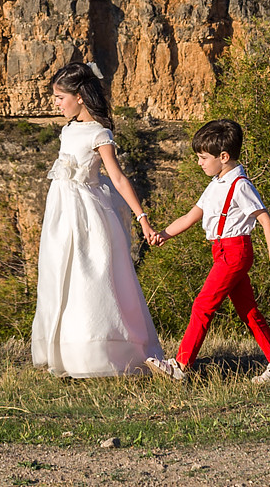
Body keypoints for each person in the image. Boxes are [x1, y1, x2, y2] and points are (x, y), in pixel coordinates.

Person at [30, 61, 167, 378]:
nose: (56, 103)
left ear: (79, 96)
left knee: (91, 278)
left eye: (60, 97)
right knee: (60, 277)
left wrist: (142, 218)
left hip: (87, 216)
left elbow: (118, 179)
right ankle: (65, 353)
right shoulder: (68, 130)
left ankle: (100, 353)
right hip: (61, 215)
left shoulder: (99, 133)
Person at [144, 117, 270, 384]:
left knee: (203, 304)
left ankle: (181, 364)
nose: (199, 162)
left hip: (235, 252)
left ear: (223, 156)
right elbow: (190, 217)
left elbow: (264, 219)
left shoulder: (241, 185)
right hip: (221, 251)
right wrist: (163, 234)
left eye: (203, 157)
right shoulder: (215, 185)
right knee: (248, 311)